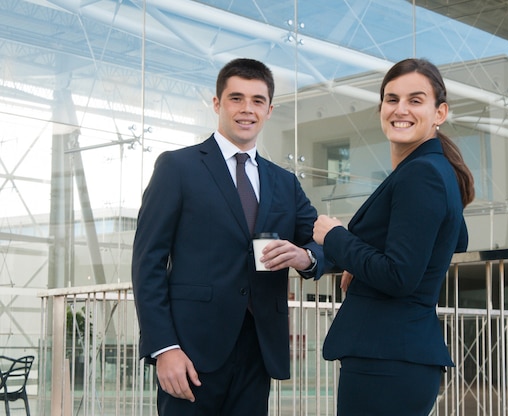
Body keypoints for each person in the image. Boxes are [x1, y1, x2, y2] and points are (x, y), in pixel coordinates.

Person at [132, 57, 324, 416]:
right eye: (236, 98)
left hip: (258, 350)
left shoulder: (284, 182)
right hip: (190, 352)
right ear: (217, 104)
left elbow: (320, 240)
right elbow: (148, 263)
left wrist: (305, 257)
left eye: (257, 100)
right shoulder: (178, 167)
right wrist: (164, 348)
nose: (246, 109)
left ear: (269, 109)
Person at [313, 58, 475, 416]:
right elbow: (452, 240)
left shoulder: (422, 174)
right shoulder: (435, 169)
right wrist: (357, 259)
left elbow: (400, 275)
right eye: (391, 99)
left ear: (439, 112)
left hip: (386, 360)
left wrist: (335, 236)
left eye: (415, 100)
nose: (400, 109)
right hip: (396, 360)